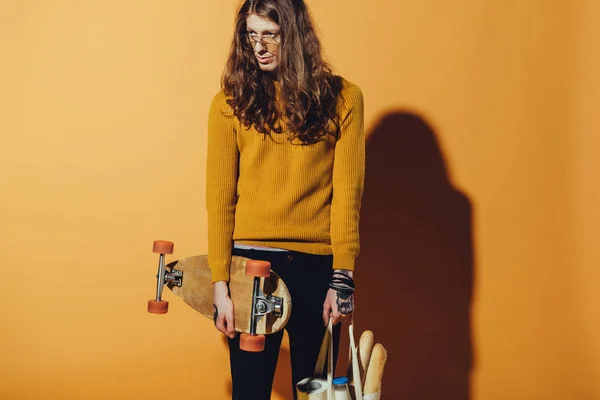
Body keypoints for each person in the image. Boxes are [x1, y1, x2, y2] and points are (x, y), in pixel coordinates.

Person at [206, 0, 364, 399]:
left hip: (317, 270)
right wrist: (221, 283)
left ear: (293, 35)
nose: (258, 46)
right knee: (250, 392)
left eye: (270, 35)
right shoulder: (229, 104)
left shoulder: (343, 99)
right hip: (251, 271)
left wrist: (341, 279)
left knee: (318, 395)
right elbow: (220, 199)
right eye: (251, 34)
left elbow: (348, 194)